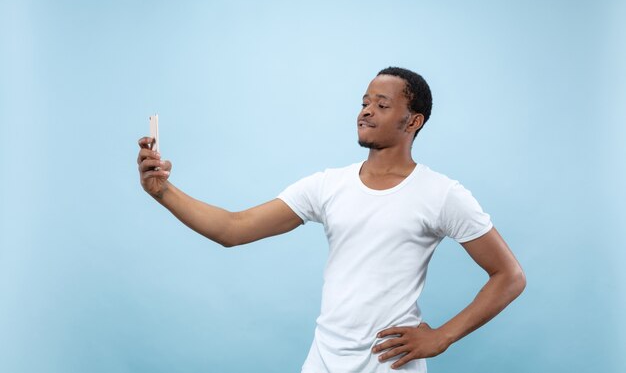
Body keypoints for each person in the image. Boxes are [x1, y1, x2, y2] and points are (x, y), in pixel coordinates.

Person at [136, 66, 526, 372]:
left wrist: (442, 337)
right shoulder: (328, 185)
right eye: (364, 101)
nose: (366, 110)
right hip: (322, 363)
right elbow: (233, 229)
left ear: (413, 121)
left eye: (382, 104)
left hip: (390, 366)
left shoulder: (441, 193)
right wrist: (163, 192)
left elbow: (509, 276)